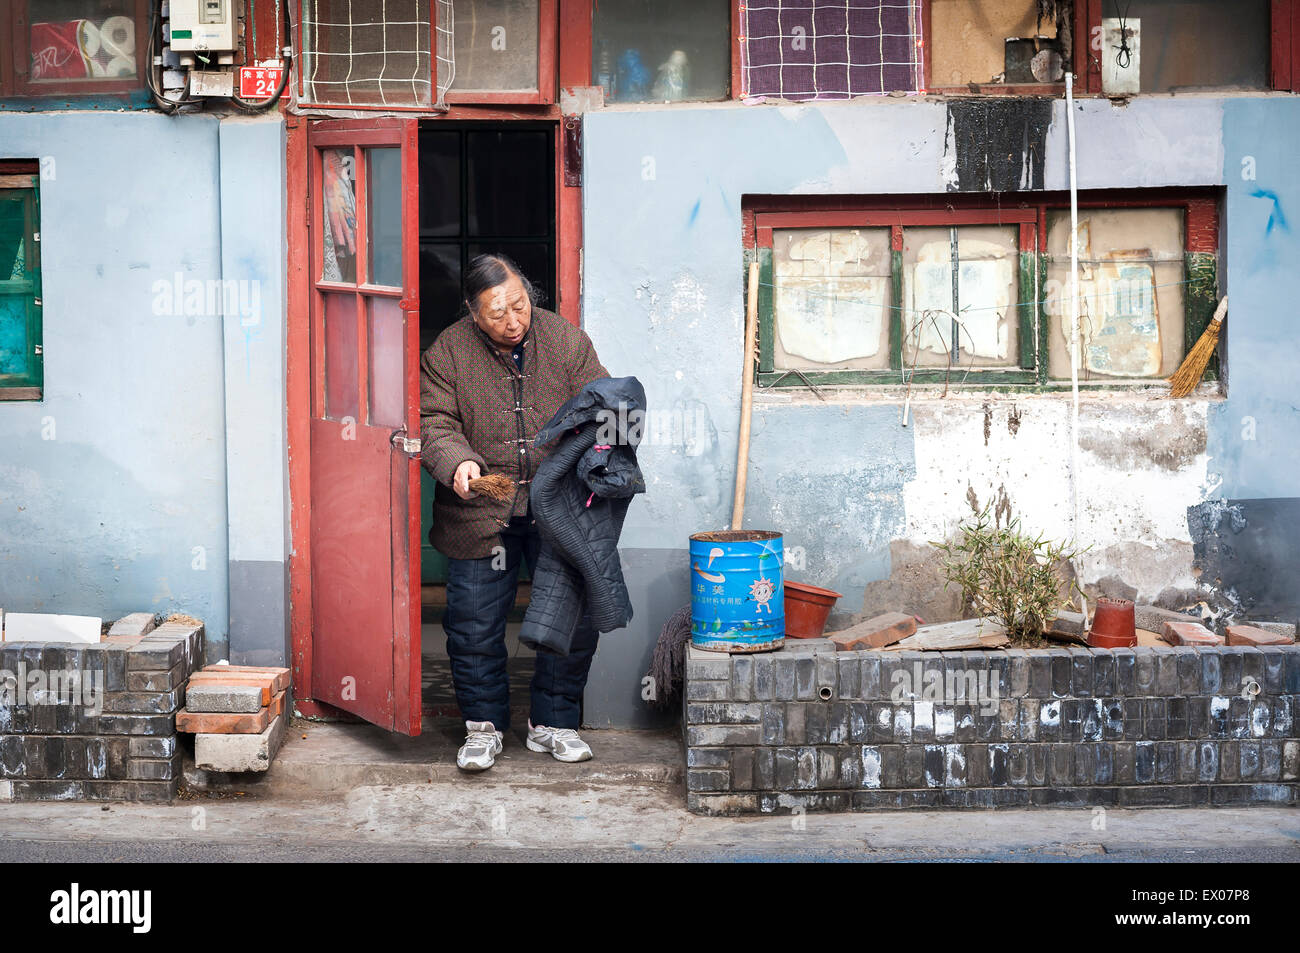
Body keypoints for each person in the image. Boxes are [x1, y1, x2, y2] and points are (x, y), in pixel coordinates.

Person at [420, 254, 608, 771]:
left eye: (520, 305)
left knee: (566, 620)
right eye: (497, 312)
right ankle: (482, 728)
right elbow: (434, 420)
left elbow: (602, 405)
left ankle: (552, 723)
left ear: (529, 293)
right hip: (483, 511)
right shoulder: (448, 352)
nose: (513, 321)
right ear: (472, 313)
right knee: (472, 624)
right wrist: (457, 462)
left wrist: (596, 453)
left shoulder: (565, 341)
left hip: (558, 506)